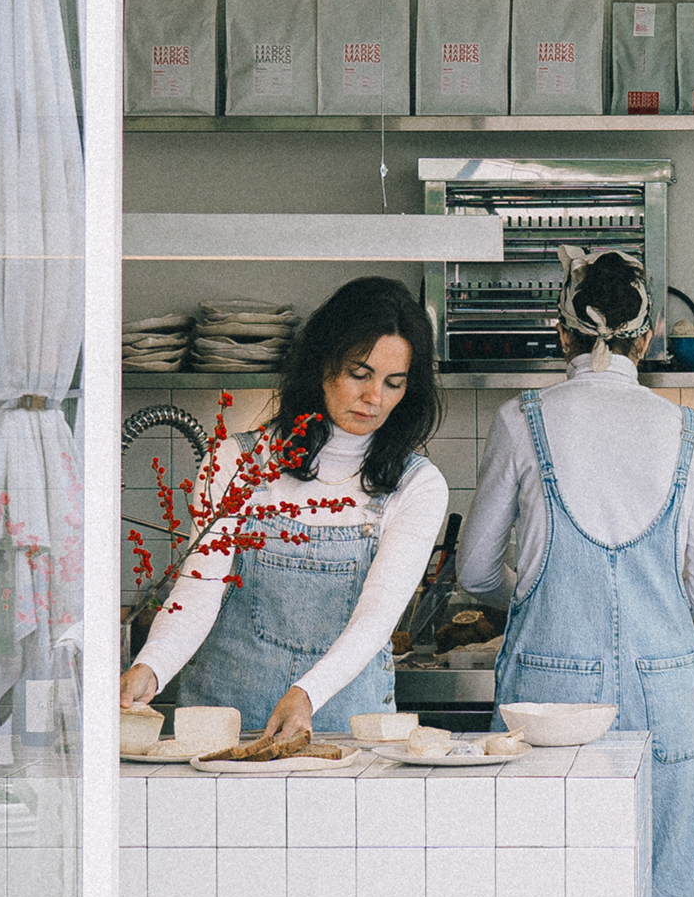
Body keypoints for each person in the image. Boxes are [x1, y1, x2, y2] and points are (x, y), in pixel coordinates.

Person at [453, 245, 694, 897]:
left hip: (549, 706)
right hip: (667, 702)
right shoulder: (686, 431)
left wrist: (532, 592)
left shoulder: (522, 420)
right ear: (648, 336)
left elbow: (472, 571)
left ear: (561, 331)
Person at [119, 276, 450, 756]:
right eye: (360, 374)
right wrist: (150, 668)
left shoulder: (417, 485)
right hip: (224, 728)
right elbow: (198, 591)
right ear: (323, 363)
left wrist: (307, 694)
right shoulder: (235, 461)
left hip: (342, 732)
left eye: (393, 383)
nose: (375, 397)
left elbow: (377, 617)